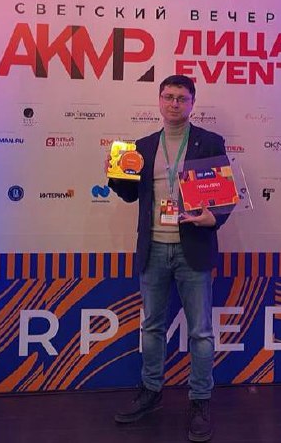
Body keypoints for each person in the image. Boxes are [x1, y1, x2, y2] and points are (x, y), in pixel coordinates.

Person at [108, 74, 230, 442]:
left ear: (192, 103)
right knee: (151, 327)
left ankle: (200, 401)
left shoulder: (210, 142)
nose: (174, 103)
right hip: (154, 248)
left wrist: (214, 218)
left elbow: (223, 194)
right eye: (168, 97)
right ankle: (151, 392)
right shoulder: (142, 146)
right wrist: (116, 174)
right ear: (159, 101)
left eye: (181, 98)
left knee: (201, 331)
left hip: (193, 247)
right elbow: (131, 195)